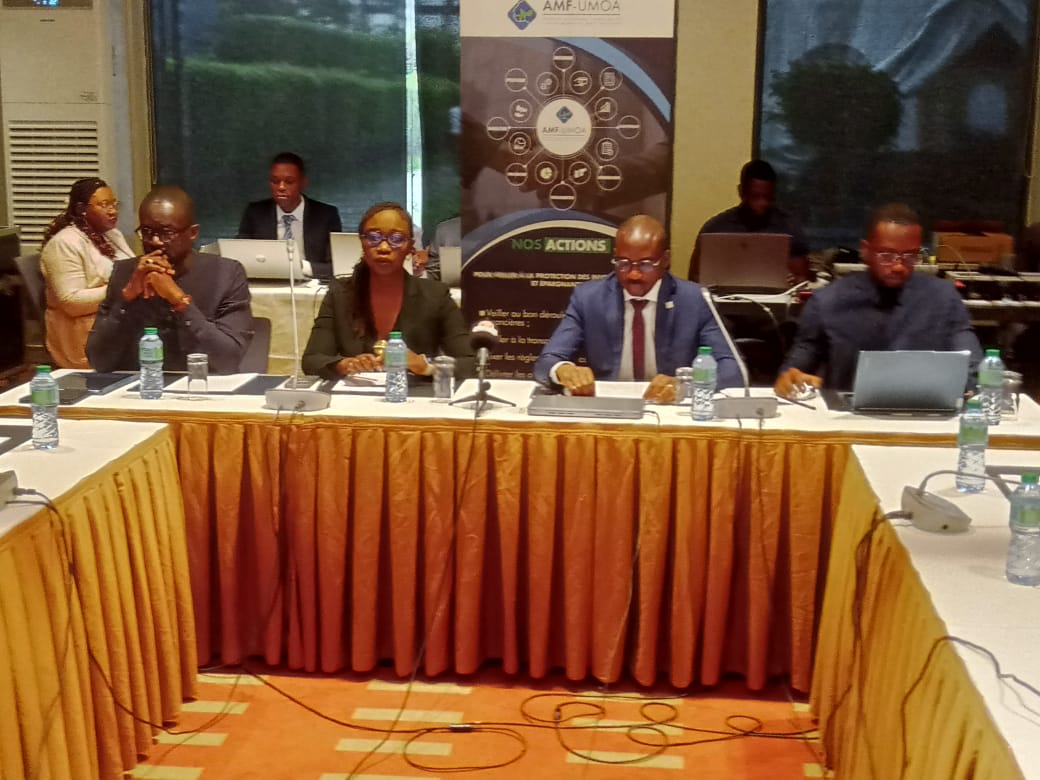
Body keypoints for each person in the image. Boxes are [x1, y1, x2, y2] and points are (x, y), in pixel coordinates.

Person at [775, 203, 982, 398]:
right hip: (848, 415)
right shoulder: (827, 302)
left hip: (925, 412)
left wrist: (969, 387)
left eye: (910, 256)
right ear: (866, 251)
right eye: (887, 255)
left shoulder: (943, 298)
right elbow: (793, 372)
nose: (898, 266)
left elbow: (973, 368)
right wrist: (791, 380)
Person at [533, 214, 742, 402]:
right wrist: (563, 370)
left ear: (666, 260)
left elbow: (733, 369)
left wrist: (686, 386)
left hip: (670, 408)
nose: (634, 274)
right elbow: (547, 361)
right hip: (609, 407)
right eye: (623, 263)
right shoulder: (589, 298)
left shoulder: (695, 300)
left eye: (646, 264)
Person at [86, 186, 254, 374]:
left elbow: (228, 359)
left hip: (203, 385)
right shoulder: (124, 273)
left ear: (193, 233)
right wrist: (125, 300)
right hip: (140, 385)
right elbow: (98, 361)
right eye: (147, 231)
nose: (155, 241)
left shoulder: (225, 274)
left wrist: (179, 301)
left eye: (167, 233)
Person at [302, 202, 475, 380]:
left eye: (396, 239)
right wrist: (344, 365)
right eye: (373, 237)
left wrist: (425, 366)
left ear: (410, 247)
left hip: (414, 394)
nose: (383, 248)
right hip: (356, 392)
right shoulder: (339, 293)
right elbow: (312, 360)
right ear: (362, 243)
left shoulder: (435, 295)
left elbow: (470, 363)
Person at [39, 177, 135, 368]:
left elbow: (129, 270)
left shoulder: (112, 234)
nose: (113, 211)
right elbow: (71, 302)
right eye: (104, 205)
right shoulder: (64, 244)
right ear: (81, 209)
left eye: (114, 204)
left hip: (114, 320)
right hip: (83, 335)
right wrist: (120, 290)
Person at [689, 159, 810, 281]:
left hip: (778, 293)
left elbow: (802, 279)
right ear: (741, 192)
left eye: (768, 197)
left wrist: (792, 278)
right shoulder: (715, 229)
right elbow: (694, 279)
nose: (762, 203)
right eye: (755, 197)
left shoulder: (788, 227)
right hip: (725, 293)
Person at [237, 152, 343, 280]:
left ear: (303, 183)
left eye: (289, 182)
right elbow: (240, 257)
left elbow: (337, 265)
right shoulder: (255, 213)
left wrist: (300, 267)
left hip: (311, 283)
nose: (281, 187)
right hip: (266, 282)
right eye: (275, 181)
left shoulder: (326, 215)